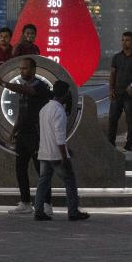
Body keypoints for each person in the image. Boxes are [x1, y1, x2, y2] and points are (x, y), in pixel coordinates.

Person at [0, 57, 52, 215]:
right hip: (23, 134)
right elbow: (21, 112)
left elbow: (28, 91)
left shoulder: (40, 86)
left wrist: (3, 83)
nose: (22, 71)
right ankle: (25, 202)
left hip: (36, 134)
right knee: (20, 169)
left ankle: (47, 203)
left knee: (41, 169)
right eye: (20, 68)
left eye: (25, 68)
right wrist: (13, 132)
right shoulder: (24, 86)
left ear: (33, 70)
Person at [34, 80, 90, 222]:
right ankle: (73, 211)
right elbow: (59, 136)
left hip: (44, 152)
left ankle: (38, 210)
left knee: (43, 182)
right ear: (65, 94)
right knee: (69, 180)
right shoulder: (59, 111)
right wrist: (64, 155)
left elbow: (45, 132)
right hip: (57, 155)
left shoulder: (44, 109)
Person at [107, 31, 132, 151]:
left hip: (130, 95)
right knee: (112, 118)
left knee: (130, 119)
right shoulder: (116, 57)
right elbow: (112, 74)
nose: (125, 42)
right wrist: (110, 89)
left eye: (127, 40)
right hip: (117, 93)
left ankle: (129, 143)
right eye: (123, 40)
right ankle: (111, 143)